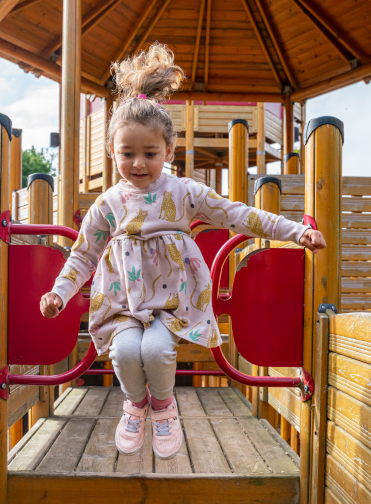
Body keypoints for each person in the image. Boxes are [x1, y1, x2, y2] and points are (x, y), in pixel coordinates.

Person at [40, 43, 326, 460]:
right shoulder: (108, 204)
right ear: (111, 152)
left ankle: (163, 407)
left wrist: (294, 231)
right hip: (124, 302)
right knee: (123, 351)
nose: (138, 163)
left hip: (174, 300)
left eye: (150, 154)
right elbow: (83, 255)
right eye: (127, 153)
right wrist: (59, 293)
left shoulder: (184, 192)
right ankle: (135, 406)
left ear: (168, 152)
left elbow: (236, 214)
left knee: (155, 350)